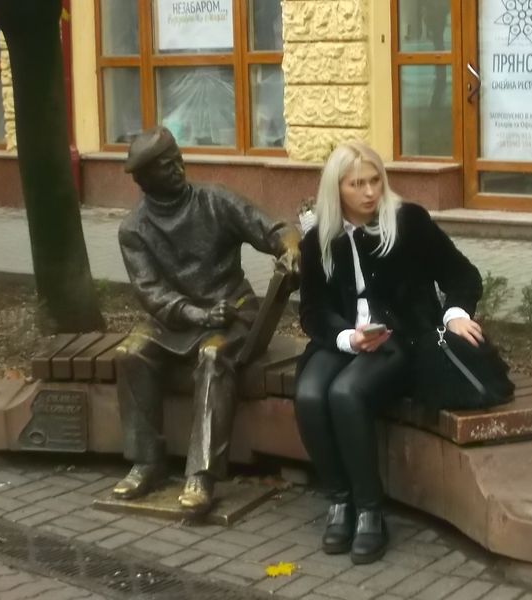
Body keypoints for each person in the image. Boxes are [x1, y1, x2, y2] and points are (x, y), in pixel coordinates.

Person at [295, 141, 484, 564]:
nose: (369, 191)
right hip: (344, 339)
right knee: (309, 393)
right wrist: (347, 337)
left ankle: (369, 512)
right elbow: (312, 312)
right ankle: (339, 500)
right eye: (356, 183)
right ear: (336, 189)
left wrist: (454, 313)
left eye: (374, 179)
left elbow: (463, 274)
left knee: (345, 394)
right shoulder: (318, 240)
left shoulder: (408, 222)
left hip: (404, 339)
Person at [111, 126, 300, 514]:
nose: (177, 168)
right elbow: (150, 292)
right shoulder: (134, 229)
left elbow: (274, 230)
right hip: (175, 320)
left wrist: (291, 249)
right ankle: (147, 462)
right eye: (165, 166)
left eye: (177, 158)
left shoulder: (214, 200)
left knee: (213, 357)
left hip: (232, 311)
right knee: (131, 354)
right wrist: (195, 313)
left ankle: (202, 474)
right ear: (143, 179)